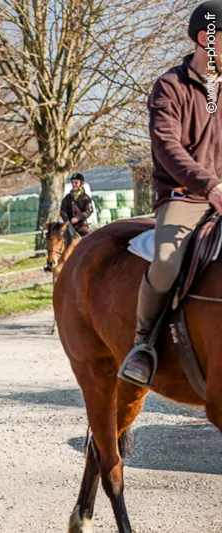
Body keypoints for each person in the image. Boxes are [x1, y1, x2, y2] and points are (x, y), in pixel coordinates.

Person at [119, 0, 222, 387]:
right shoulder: (170, 86)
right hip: (185, 198)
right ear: (205, 38)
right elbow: (167, 147)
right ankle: (143, 346)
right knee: (165, 261)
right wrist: (210, 185)